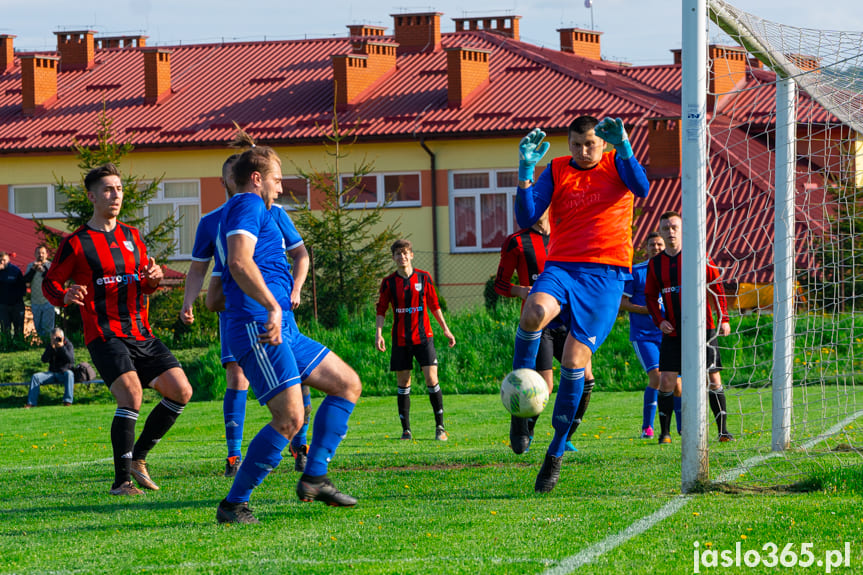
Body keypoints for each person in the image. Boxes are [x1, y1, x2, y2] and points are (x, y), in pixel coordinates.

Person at [213, 141, 362, 524]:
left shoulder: (263, 211)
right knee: (290, 417)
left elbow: (289, 256)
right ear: (257, 179)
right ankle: (234, 504)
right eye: (278, 180)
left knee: (347, 384)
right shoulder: (246, 203)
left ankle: (314, 477)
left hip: (283, 326)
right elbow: (238, 261)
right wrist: (272, 306)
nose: (281, 188)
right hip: (258, 326)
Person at [511, 116, 649, 493]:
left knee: (574, 360)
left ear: (601, 143)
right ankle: (520, 406)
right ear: (568, 144)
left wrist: (625, 149)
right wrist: (525, 171)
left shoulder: (616, 163)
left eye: (590, 144)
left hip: (606, 276)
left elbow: (642, 187)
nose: (583, 151)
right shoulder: (556, 170)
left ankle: (555, 451)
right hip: (563, 266)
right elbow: (526, 216)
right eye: (576, 145)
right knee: (534, 311)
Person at [43, 162, 193, 496]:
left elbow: (145, 281)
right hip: (105, 334)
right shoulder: (77, 243)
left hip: (141, 332)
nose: (116, 195)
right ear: (92, 196)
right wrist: (64, 295)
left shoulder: (133, 237)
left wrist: (153, 281)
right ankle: (121, 481)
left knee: (181, 391)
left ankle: (138, 459)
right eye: (109, 189)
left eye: (120, 189)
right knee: (132, 395)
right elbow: (50, 282)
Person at [181, 155, 314, 478]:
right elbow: (202, 268)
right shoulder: (211, 221)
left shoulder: (274, 213)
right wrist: (189, 302)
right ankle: (234, 456)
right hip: (240, 312)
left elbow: (299, 253)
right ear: (227, 181)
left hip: (272, 308)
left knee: (302, 373)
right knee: (237, 377)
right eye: (228, 175)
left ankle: (303, 446)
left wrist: (294, 290)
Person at [494, 209, 595, 454]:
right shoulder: (517, 241)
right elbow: (500, 284)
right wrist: (521, 291)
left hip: (569, 320)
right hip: (539, 325)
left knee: (587, 378)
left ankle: (565, 434)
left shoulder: (568, 235)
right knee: (544, 386)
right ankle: (524, 428)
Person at [644, 211, 733, 444]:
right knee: (666, 381)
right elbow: (650, 297)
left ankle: (723, 431)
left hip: (704, 328)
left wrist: (724, 318)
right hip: (673, 332)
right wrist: (659, 320)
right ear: (661, 232)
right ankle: (665, 433)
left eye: (674, 227)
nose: (671, 232)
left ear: (681, 230)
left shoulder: (699, 257)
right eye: (666, 228)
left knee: (713, 379)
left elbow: (717, 287)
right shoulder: (655, 264)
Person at [375, 239, 456, 442]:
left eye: (405, 253)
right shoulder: (389, 282)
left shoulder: (424, 277)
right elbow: (381, 309)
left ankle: (440, 428)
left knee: (432, 379)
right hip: (400, 340)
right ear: (393, 258)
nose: (402, 257)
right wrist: (379, 334)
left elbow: (434, 305)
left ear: (411, 255)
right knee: (403, 382)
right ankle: (406, 431)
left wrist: (446, 330)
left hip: (424, 337)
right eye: (397, 254)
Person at [620, 231, 677, 439]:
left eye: (659, 245)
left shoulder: (674, 269)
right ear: (647, 248)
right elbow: (622, 303)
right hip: (644, 334)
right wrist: (648, 310)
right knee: (657, 377)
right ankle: (647, 427)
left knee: (677, 383)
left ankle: (679, 427)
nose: (656, 248)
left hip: (670, 333)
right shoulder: (636, 272)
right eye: (652, 245)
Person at [25, 327, 75, 407]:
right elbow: (44, 359)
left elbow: (70, 360)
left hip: (63, 373)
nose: (56, 340)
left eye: (57, 338)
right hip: (52, 373)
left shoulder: (68, 345)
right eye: (53, 339)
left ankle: (67, 401)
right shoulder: (50, 346)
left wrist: (62, 347)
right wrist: (51, 348)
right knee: (35, 377)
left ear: (62, 337)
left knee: (70, 374)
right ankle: (31, 403)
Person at [25, 245, 55, 340]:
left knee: (48, 327)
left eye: (42, 253)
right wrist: (33, 270)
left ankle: (48, 344)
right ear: (35, 254)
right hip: (35, 302)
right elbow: (26, 281)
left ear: (46, 254)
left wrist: (43, 271)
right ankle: (41, 345)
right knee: (38, 327)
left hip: (48, 301)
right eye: (38, 253)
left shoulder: (50, 266)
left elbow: (53, 281)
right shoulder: (30, 266)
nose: (40, 255)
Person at [0, 251, 26, 338]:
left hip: (17, 305)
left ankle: (18, 345)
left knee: (18, 328)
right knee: (5, 328)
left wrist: (18, 298)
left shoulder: (15, 271)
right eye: (0, 260)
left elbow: (23, 286)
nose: (2, 262)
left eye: (4, 260)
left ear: (9, 260)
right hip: (3, 305)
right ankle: (6, 346)